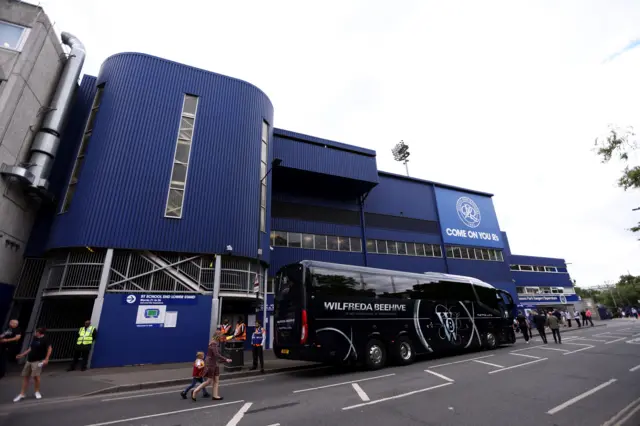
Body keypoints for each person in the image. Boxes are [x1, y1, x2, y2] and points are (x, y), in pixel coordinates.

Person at [191, 329, 231, 401]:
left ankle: (215, 395)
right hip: (211, 364)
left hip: (215, 364)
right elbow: (216, 354)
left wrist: (222, 360)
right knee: (209, 381)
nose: (222, 338)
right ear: (218, 336)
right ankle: (195, 391)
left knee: (216, 381)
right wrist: (226, 359)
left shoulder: (215, 343)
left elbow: (216, 355)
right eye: (221, 336)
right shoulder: (213, 344)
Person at [13, 328, 52, 402]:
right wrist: (22, 355)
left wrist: (46, 359)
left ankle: (37, 391)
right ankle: (22, 394)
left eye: (35, 332)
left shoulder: (45, 339)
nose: (34, 333)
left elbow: (49, 349)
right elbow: (31, 348)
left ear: (39, 333)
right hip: (29, 360)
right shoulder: (35, 338)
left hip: (37, 361)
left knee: (36, 377)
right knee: (26, 377)